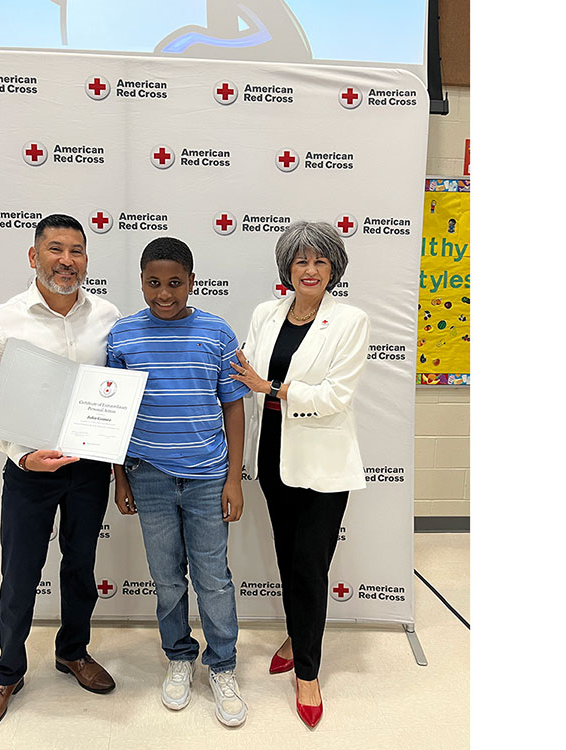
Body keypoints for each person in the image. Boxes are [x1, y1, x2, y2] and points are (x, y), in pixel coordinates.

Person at [0, 214, 121, 732]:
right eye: (55, 249)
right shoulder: (2, 321)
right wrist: (21, 453)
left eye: (76, 250)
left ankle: (72, 652)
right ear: (33, 256)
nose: (66, 259)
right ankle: (8, 671)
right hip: (30, 469)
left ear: (85, 259)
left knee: (81, 566)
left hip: (89, 467)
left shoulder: (107, 316)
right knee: (19, 574)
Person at [229, 220, 370, 729]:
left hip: (323, 463)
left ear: (334, 268)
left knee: (310, 565)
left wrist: (274, 388)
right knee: (289, 558)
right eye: (300, 261)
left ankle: (307, 672)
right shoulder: (266, 313)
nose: (309, 270)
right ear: (286, 267)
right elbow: (243, 369)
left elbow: (336, 395)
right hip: (274, 458)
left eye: (320, 262)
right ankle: (297, 631)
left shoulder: (350, 320)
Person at [108, 237, 250, 727]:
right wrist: (119, 476)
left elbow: (233, 405)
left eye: (175, 283)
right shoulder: (123, 336)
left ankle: (223, 664)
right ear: (141, 280)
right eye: (153, 283)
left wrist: (235, 477)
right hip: (148, 475)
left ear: (192, 281)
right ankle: (179, 656)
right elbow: (113, 414)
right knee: (167, 579)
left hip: (209, 477)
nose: (163, 294)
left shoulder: (216, 332)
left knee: (213, 578)